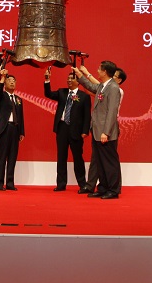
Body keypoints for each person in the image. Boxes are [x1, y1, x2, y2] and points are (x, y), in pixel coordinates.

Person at [75, 60, 123, 200]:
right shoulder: (103, 85)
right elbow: (91, 86)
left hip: (105, 132)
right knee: (100, 162)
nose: (97, 71)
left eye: (99, 69)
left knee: (109, 162)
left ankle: (113, 190)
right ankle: (102, 188)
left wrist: (106, 132)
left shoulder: (113, 88)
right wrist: (80, 75)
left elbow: (112, 112)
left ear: (105, 72)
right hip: (97, 130)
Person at [44, 66, 91, 192]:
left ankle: (82, 184)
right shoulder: (62, 92)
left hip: (76, 130)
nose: (69, 80)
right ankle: (61, 184)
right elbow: (48, 94)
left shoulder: (84, 96)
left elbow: (87, 116)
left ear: (78, 81)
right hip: (62, 128)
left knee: (78, 158)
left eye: (72, 78)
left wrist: (85, 131)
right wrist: (47, 80)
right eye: (68, 78)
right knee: (61, 157)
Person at [0, 70, 25, 191]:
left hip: (15, 129)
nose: (12, 82)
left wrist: (21, 132)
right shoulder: (2, 95)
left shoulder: (18, 99)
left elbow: (21, 116)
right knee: (1, 156)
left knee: (12, 156)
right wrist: (2, 78)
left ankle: (10, 183)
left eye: (13, 81)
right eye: (9, 80)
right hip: (4, 129)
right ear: (5, 83)